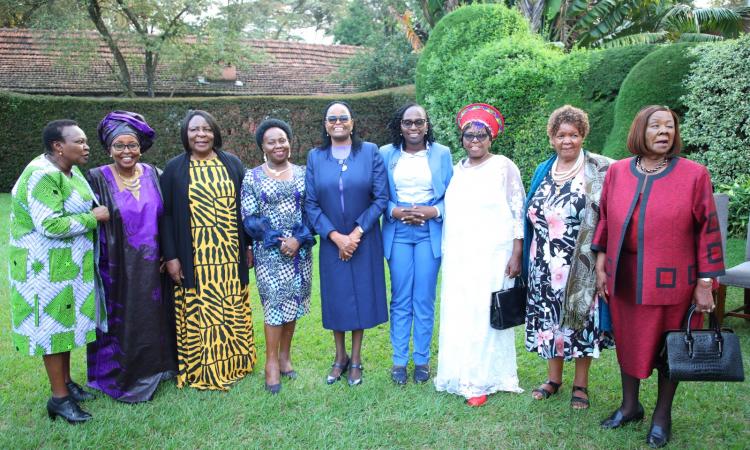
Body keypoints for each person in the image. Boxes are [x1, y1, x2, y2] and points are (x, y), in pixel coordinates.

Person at [592, 105, 725, 448]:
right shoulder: (618, 171)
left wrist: (705, 282)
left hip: (674, 280)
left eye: (670, 127)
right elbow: (605, 218)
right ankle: (630, 405)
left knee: (672, 346)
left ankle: (662, 416)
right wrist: (601, 264)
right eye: (656, 126)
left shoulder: (695, 175)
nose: (664, 132)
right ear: (640, 131)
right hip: (625, 278)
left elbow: (709, 230)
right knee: (628, 341)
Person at [8, 119, 110, 423]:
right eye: (78, 141)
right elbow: (49, 224)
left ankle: (65, 382)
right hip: (42, 272)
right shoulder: (42, 175)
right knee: (51, 330)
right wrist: (93, 217)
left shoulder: (69, 170)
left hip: (65, 269)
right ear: (58, 146)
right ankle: (59, 399)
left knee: (63, 327)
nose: (86, 145)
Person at [523, 105, 614, 409]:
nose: (567, 141)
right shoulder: (543, 169)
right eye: (561, 135)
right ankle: (553, 379)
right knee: (549, 320)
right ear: (552, 138)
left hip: (581, 263)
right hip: (544, 265)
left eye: (573, 135)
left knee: (580, 321)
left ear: (582, 135)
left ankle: (581, 386)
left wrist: (602, 261)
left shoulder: (599, 169)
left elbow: (608, 217)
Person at [434, 103, 524, 407]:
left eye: (481, 135)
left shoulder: (504, 166)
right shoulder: (456, 171)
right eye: (469, 135)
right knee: (461, 313)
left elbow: (517, 212)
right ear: (462, 138)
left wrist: (517, 252)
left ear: (491, 138)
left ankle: (482, 379)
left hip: (493, 255)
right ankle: (458, 373)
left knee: (485, 314)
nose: (475, 140)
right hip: (460, 255)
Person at [160, 109, 257, 390]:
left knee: (231, 305)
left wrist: (248, 245)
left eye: (206, 129)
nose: (201, 134)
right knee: (201, 310)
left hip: (229, 253)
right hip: (195, 256)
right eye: (194, 130)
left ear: (215, 133)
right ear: (185, 135)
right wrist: (172, 257)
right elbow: (165, 216)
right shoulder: (175, 170)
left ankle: (236, 362)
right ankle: (201, 368)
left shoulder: (233, 164)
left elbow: (245, 211)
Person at [85, 111, 176, 402]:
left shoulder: (154, 173)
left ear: (141, 147)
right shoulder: (96, 178)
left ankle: (157, 369)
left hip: (153, 265)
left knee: (153, 318)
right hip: (116, 266)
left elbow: (167, 216)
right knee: (122, 319)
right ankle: (120, 375)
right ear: (109, 149)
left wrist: (168, 253)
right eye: (119, 146)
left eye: (132, 145)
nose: (127, 152)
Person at [305, 101, 388, 386]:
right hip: (331, 242)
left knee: (361, 296)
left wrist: (355, 234)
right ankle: (339, 358)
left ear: (352, 123)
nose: (337, 122)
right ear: (325, 125)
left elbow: (381, 198)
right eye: (332, 118)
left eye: (343, 117)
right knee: (337, 297)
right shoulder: (315, 157)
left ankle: (355, 360)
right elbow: (311, 204)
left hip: (363, 240)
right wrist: (335, 236)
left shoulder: (370, 152)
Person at [379, 103, 452, 385]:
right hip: (398, 231)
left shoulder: (442, 154)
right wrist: (393, 211)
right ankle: (399, 361)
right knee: (400, 297)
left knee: (423, 297)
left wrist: (433, 211)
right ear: (400, 125)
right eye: (408, 122)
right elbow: (377, 192)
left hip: (428, 231)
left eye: (418, 122)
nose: (413, 128)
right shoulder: (386, 154)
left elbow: (454, 193)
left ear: (426, 124)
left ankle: (421, 359)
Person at [241, 118, 315, 394]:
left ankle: (285, 358)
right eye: (271, 141)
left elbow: (311, 210)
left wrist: (298, 239)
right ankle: (271, 363)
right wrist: (277, 240)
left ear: (289, 142)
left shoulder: (304, 173)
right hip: (269, 253)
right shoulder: (252, 176)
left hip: (300, 251)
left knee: (293, 304)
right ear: (263, 146)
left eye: (282, 139)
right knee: (274, 306)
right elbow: (249, 216)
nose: (278, 145)